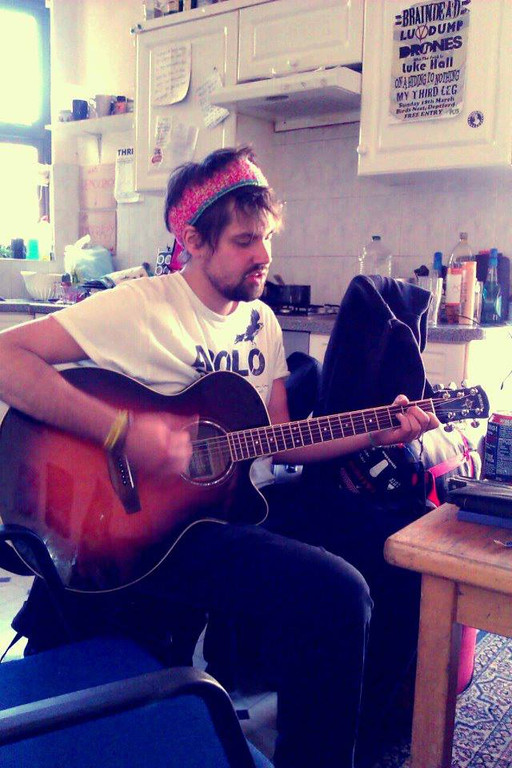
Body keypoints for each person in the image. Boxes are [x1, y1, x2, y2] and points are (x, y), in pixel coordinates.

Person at [0, 146, 439, 768]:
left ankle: (366, 737)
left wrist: (378, 432)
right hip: (146, 530)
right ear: (194, 241)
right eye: (243, 241)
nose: (264, 254)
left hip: (231, 505)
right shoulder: (139, 306)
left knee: (397, 538)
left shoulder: (261, 322)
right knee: (334, 593)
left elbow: (281, 438)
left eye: (267, 237)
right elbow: (6, 358)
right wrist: (123, 430)